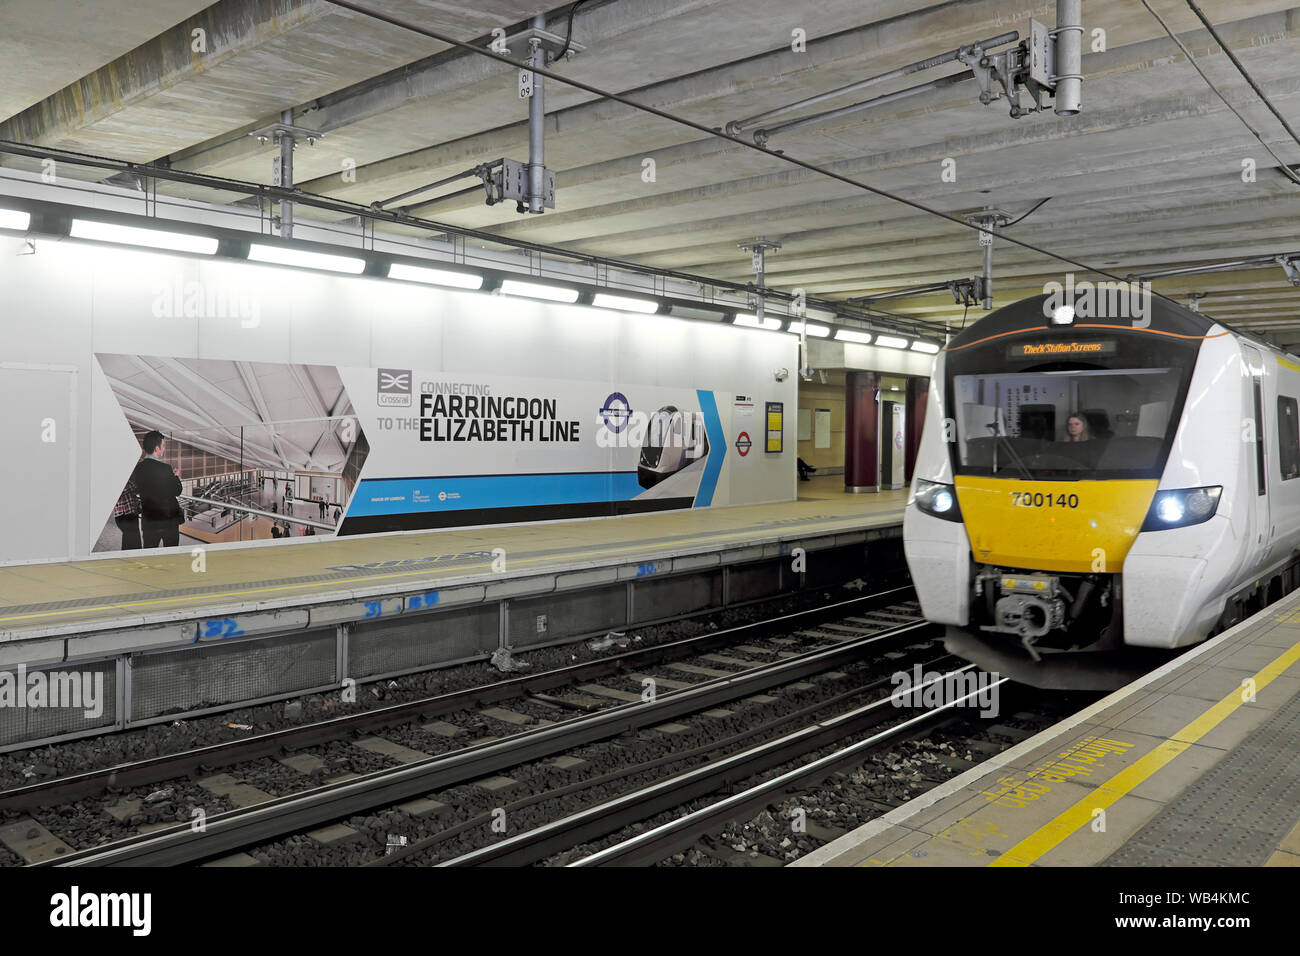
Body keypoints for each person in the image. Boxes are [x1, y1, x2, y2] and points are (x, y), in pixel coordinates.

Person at [132, 430, 183, 548]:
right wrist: (176, 477)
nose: (164, 449)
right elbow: (177, 491)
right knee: (171, 552)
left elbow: (138, 489)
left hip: (149, 519)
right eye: (163, 446)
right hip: (168, 520)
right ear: (156, 448)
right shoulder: (165, 468)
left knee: (150, 551)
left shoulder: (138, 469)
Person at [112, 478, 143, 549]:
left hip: (128, 513)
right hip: (125, 514)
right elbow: (132, 487)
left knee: (131, 539)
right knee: (132, 540)